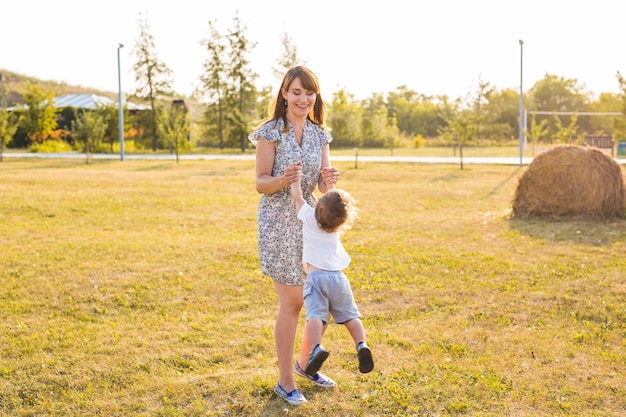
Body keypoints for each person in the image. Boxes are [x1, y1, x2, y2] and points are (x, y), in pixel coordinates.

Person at [248, 66, 340, 406]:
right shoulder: (270, 133)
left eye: (309, 93)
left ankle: (305, 365)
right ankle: (285, 382)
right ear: (284, 94)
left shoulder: (319, 135)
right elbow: (260, 181)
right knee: (294, 303)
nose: (304, 99)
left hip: (310, 223)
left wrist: (328, 180)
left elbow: (321, 184)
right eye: (297, 92)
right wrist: (283, 180)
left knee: (324, 300)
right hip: (278, 224)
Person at [289, 163, 374, 380]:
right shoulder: (336, 226)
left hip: (316, 278)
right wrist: (330, 184)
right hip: (338, 278)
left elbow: (298, 197)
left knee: (316, 315)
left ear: (317, 208)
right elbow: (335, 201)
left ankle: (316, 347)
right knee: (350, 316)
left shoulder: (309, 217)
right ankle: (361, 344)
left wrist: (295, 180)